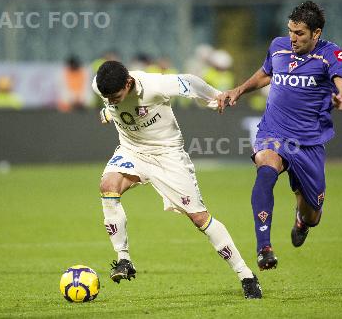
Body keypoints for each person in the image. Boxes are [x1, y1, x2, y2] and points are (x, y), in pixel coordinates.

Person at [92, 60, 262, 299]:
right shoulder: (101, 87)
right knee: (108, 186)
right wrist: (109, 111)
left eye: (115, 96)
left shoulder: (155, 85)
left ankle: (245, 275)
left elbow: (191, 82)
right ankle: (123, 259)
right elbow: (112, 105)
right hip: (132, 151)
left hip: (168, 155)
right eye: (106, 98)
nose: (111, 100)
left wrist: (215, 97)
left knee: (199, 217)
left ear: (129, 83)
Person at [217, 1, 342, 271]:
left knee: (312, 214)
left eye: (300, 33)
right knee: (266, 169)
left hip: (309, 143)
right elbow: (267, 73)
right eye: (291, 31)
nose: (293, 37)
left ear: (316, 33)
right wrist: (239, 90)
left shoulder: (332, 55)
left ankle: (302, 221)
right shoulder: (278, 46)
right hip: (274, 131)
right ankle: (264, 248)